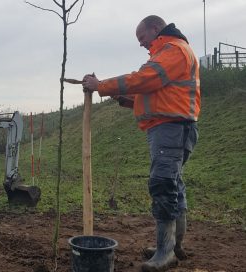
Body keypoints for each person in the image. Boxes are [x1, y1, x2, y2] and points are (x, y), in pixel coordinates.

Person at [82, 15, 200, 272]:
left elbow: (143, 79)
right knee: (173, 184)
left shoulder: (173, 50)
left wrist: (101, 85)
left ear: (155, 29)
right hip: (172, 128)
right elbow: (153, 93)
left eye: (142, 38)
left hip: (170, 130)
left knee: (163, 185)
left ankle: (165, 252)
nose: (141, 44)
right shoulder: (172, 52)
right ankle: (173, 245)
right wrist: (123, 98)